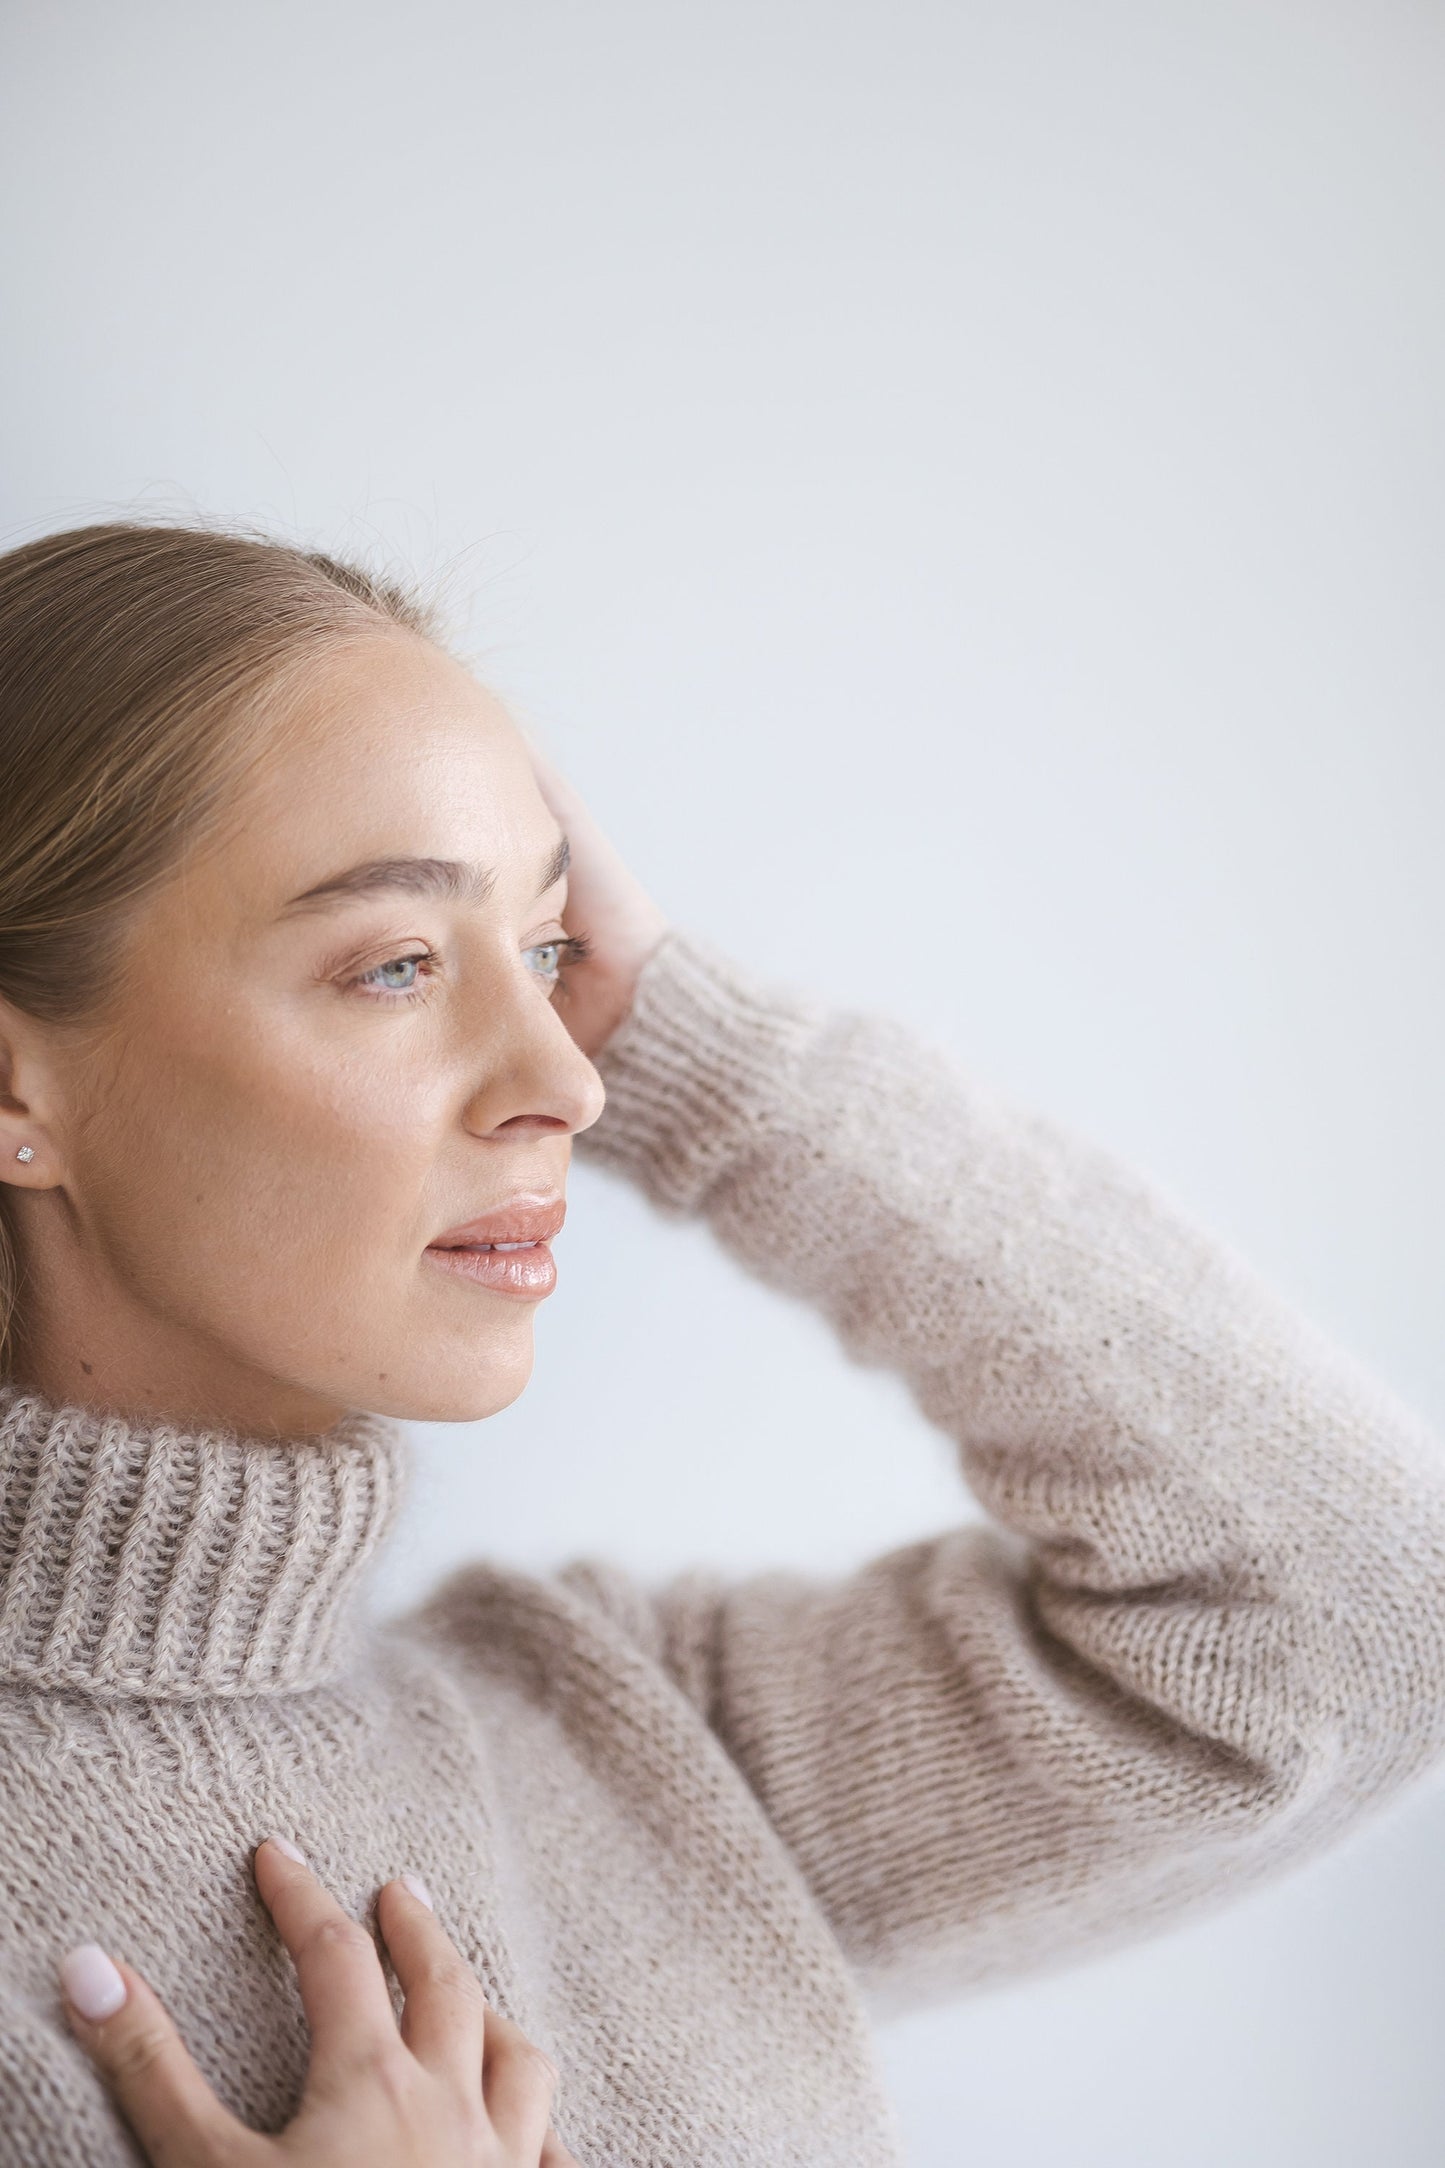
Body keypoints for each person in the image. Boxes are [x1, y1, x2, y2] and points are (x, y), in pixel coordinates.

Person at [2, 520, 1444, 2168]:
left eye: (549, 956)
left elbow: (1358, 1621)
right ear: (15, 1087)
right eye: (397, 965)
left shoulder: (612, 1737)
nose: (565, 1078)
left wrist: (700, 1053)